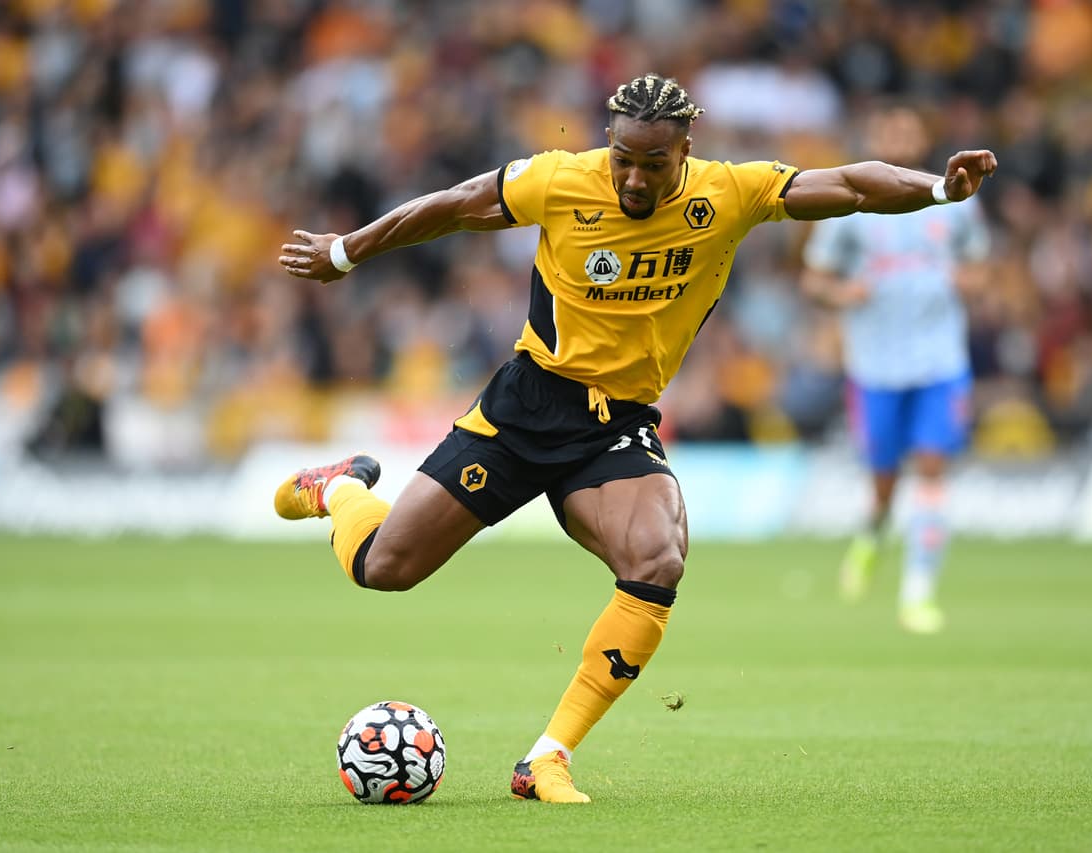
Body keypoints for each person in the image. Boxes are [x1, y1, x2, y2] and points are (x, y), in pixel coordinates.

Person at [275, 74, 996, 802]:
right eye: (623, 156)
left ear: (686, 149)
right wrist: (347, 252)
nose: (632, 176)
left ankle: (546, 758)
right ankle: (337, 488)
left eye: (654, 162)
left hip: (614, 427)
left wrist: (938, 189)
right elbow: (458, 205)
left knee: (658, 557)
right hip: (525, 408)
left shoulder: (727, 193)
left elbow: (847, 184)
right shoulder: (561, 180)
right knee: (385, 567)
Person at [800, 105, 991, 634]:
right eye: (891, 130)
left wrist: (968, 283)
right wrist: (843, 292)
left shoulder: (955, 202)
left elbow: (980, 270)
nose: (901, 139)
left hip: (940, 362)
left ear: (922, 138)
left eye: (909, 130)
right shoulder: (852, 207)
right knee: (883, 485)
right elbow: (813, 280)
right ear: (876, 135)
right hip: (875, 366)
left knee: (931, 469)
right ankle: (871, 537)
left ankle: (919, 592)